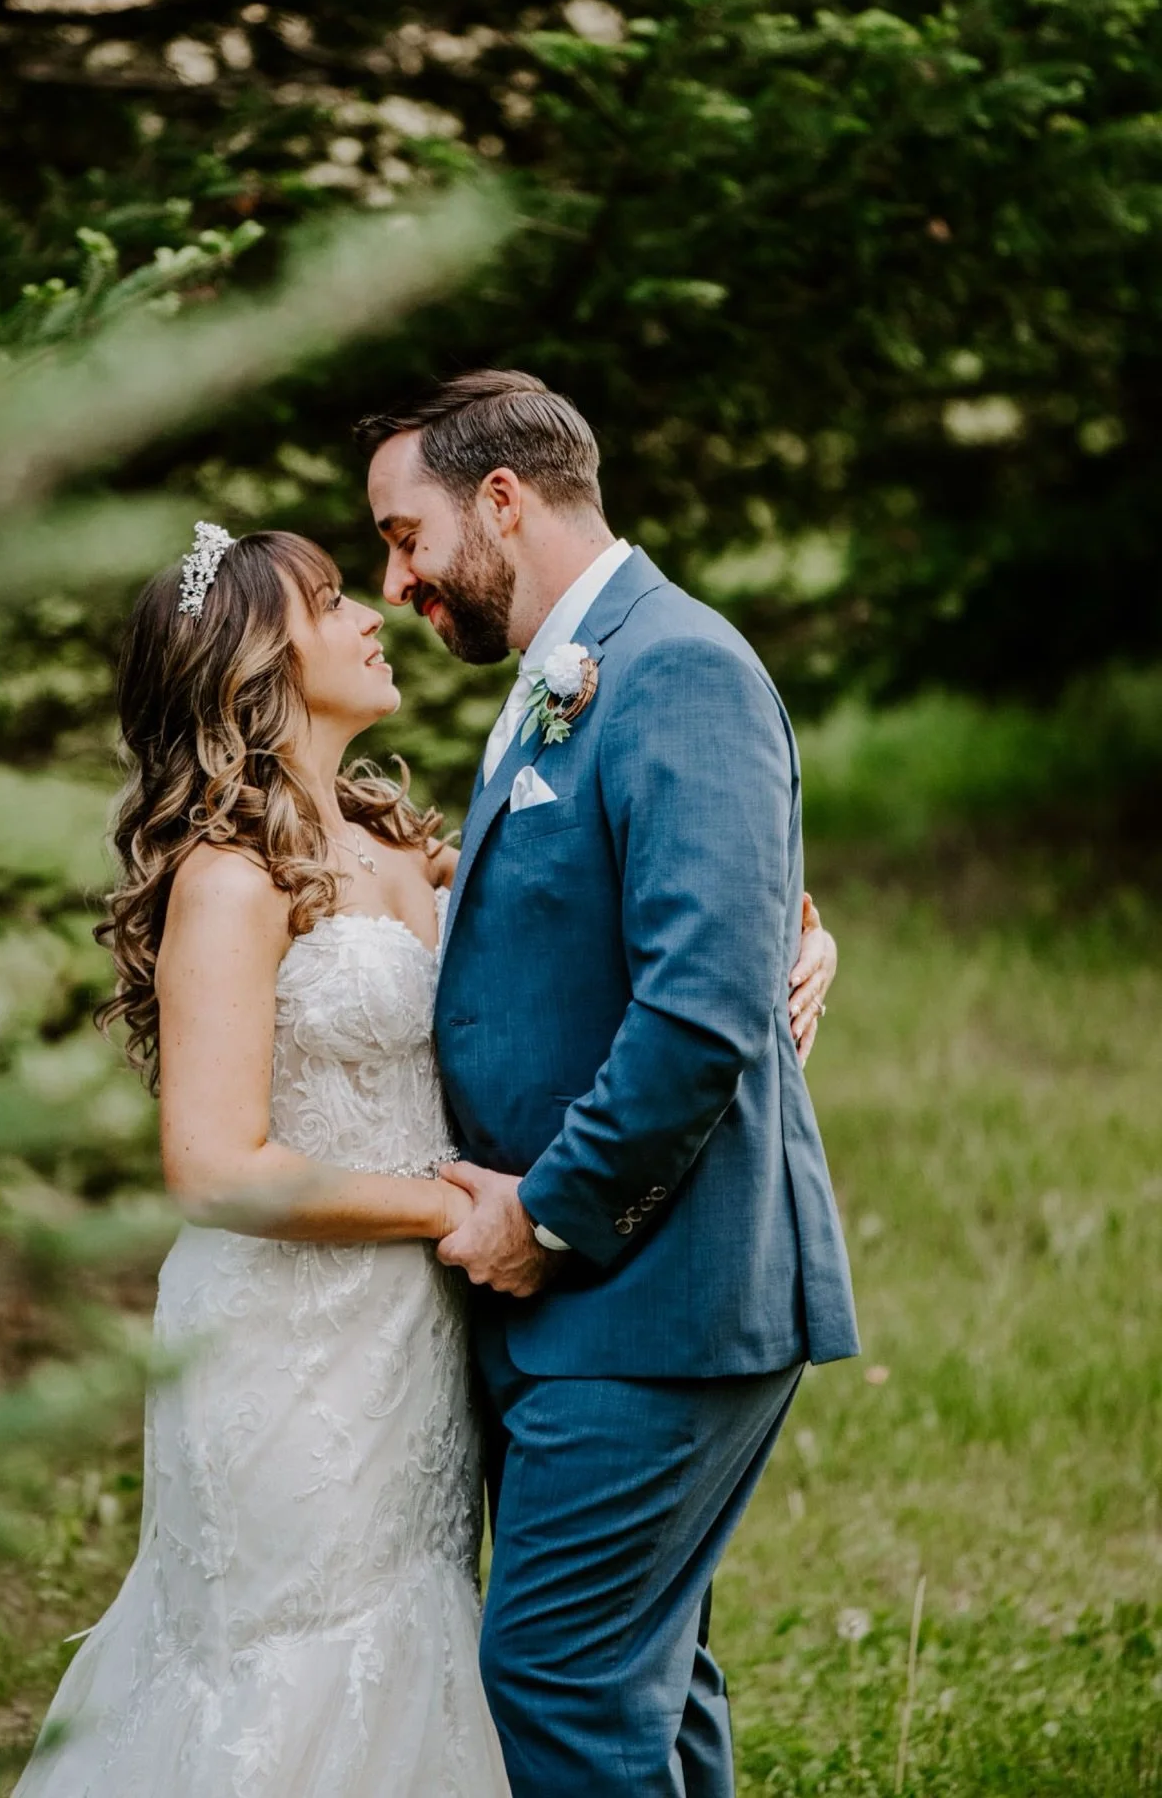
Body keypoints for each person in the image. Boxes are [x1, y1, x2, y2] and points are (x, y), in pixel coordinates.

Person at [11, 507, 839, 1795]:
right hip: (291, 1342)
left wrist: (791, 936)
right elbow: (213, 1166)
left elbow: (591, 931)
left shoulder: (396, 842)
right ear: (258, 667)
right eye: (333, 602)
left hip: (418, 1338)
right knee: (292, 1664)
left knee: (424, 1644)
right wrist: (451, 1211)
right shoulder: (229, 880)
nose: (372, 614)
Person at [358, 369, 859, 1798]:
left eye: (407, 537)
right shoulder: (579, 664)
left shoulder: (676, 665)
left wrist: (548, 1215)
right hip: (590, 1308)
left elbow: (702, 1011)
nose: (399, 583)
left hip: (654, 1295)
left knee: (560, 1681)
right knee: (644, 1680)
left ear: (501, 501)